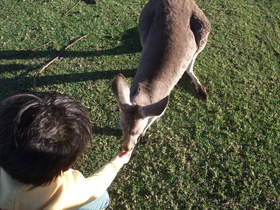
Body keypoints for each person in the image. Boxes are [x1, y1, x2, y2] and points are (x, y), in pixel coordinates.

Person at [0, 92, 132, 210]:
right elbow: (97, 186)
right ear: (67, 166)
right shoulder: (67, 190)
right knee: (102, 198)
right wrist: (117, 162)